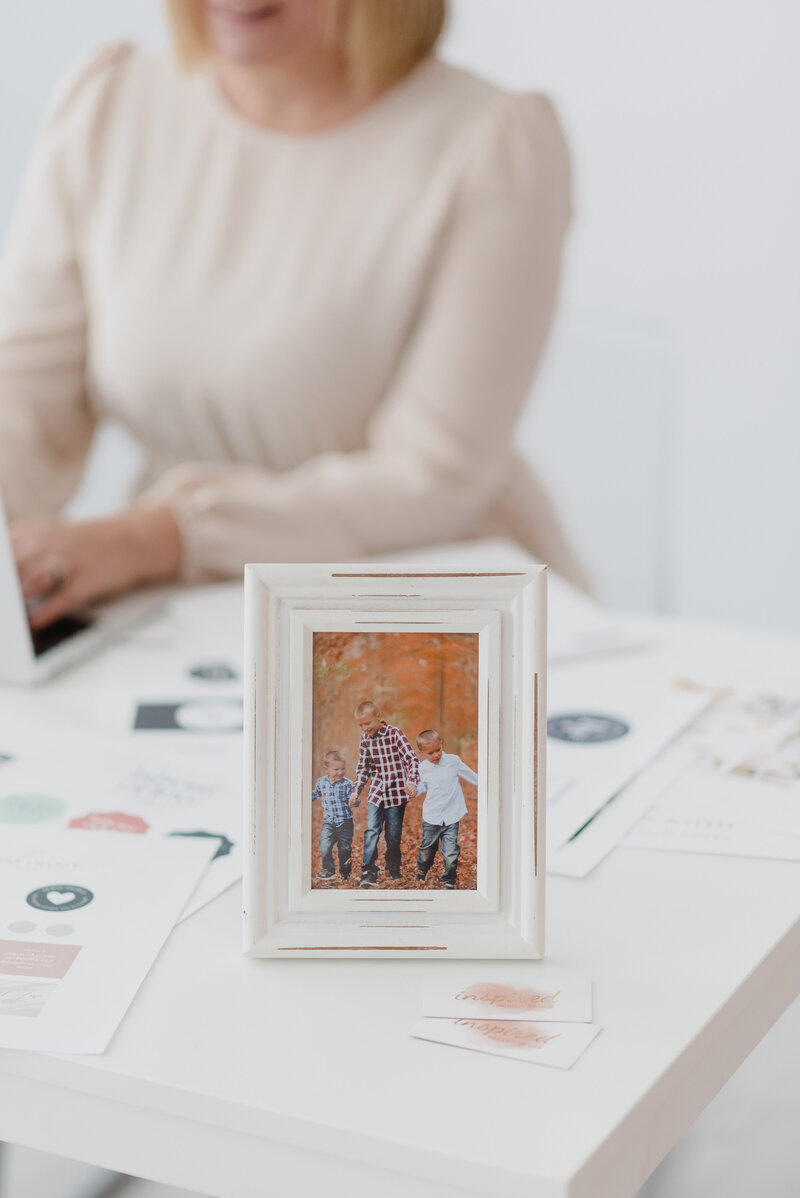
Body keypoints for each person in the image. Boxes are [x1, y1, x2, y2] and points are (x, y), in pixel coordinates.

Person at [0, 0, 588, 632]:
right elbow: (24, 396)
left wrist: (167, 534)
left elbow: (432, 477)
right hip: (175, 608)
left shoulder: (494, 143)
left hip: (429, 613)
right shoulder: (113, 100)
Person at [352, 701, 419, 887]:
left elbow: (411, 758)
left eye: (367, 723)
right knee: (372, 830)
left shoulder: (395, 733)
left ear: (378, 716)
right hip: (377, 792)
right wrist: (355, 791)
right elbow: (363, 768)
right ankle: (369, 870)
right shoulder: (365, 740)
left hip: (397, 792)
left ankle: (393, 867)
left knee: (393, 834)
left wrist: (411, 781)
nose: (365, 728)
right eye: (361, 725)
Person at [410, 728, 478, 889]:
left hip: (451, 816)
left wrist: (489, 784)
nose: (435, 755)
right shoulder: (422, 768)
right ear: (421, 753)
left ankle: (449, 879)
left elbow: (472, 776)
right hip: (431, 816)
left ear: (442, 745)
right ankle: (421, 871)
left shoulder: (453, 761)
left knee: (451, 852)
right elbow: (422, 787)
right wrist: (414, 790)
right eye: (430, 753)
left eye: (438, 750)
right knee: (427, 851)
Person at [311, 748, 358, 882]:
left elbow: (354, 798)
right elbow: (316, 794)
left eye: (342, 769)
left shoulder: (348, 784)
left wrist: (355, 801)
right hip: (329, 822)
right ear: (327, 769)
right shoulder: (321, 782)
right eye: (336, 769)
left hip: (345, 822)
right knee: (324, 845)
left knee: (344, 849)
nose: (340, 772)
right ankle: (329, 870)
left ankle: (345, 873)